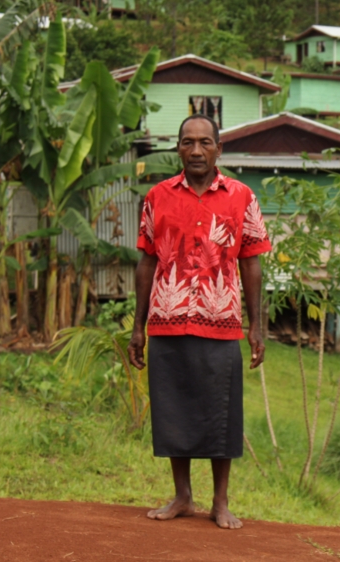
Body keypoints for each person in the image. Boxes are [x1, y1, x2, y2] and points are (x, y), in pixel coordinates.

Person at [127, 114, 271, 530]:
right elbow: (146, 261)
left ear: (218, 149)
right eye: (187, 142)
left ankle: (220, 502)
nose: (195, 150)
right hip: (166, 321)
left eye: (205, 142)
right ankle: (182, 496)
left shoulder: (242, 197)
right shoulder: (156, 196)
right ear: (178, 148)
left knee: (221, 414)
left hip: (220, 322)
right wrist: (137, 327)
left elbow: (252, 263)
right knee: (173, 411)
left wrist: (256, 325)